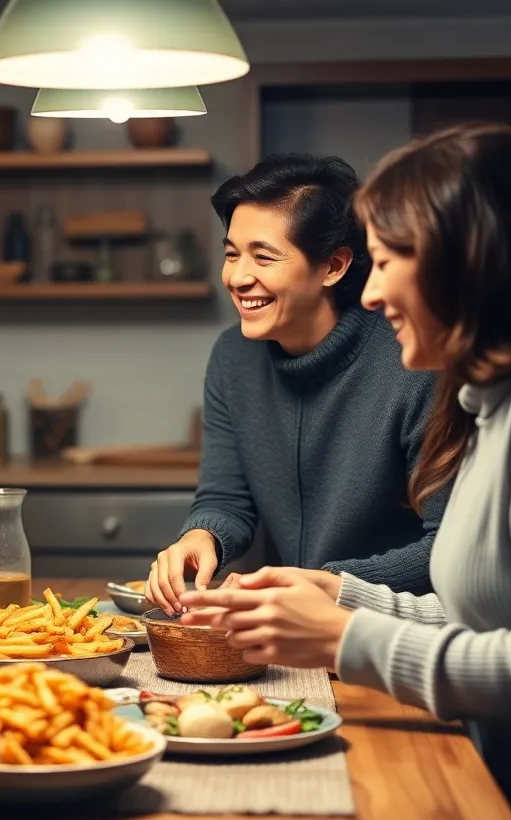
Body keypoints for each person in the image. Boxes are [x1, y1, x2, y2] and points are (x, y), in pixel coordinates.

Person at [179, 123, 511, 820]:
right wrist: (339, 592)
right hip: (493, 776)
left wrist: (342, 637)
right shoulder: (502, 392)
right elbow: (489, 617)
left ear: (465, 260)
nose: (373, 295)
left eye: (387, 263)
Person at [146, 154, 447, 614]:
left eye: (264, 257)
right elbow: (226, 496)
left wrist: (326, 585)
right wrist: (201, 534)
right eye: (231, 254)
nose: (239, 277)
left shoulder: (414, 360)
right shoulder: (233, 357)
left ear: (334, 266)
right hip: (296, 631)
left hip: (398, 634)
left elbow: (448, 549)